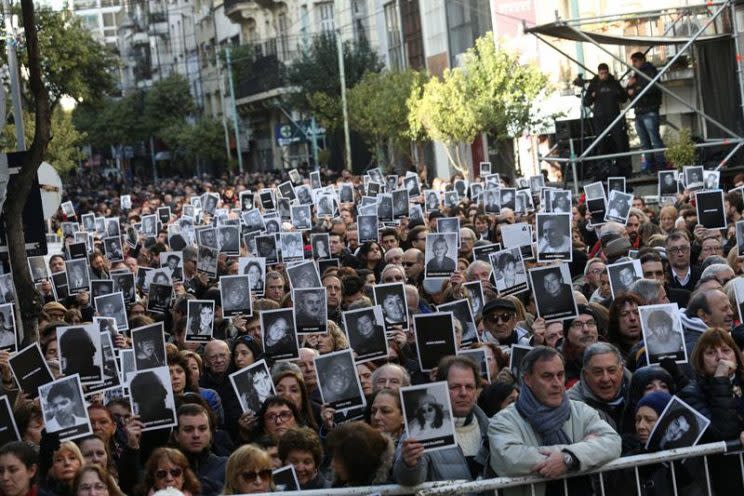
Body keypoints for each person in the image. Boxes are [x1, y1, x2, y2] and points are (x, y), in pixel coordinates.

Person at [489, 347, 622, 496]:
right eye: (547, 376)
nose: (557, 383)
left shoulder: (581, 410)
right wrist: (579, 450)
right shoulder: (503, 420)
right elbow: (510, 459)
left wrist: (569, 457)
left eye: (560, 375)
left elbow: (613, 442)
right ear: (527, 379)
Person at [393, 356, 491, 486]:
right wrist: (409, 464)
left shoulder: (493, 428)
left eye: (469, 387)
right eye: (455, 387)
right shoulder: (418, 432)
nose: (463, 393)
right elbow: (410, 480)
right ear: (440, 387)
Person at [678, 328, 744, 493]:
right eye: (711, 352)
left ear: (736, 354)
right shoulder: (691, 393)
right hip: (725, 479)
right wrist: (720, 379)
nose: (720, 357)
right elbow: (723, 431)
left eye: (726, 350)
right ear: (700, 361)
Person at [567, 342, 630, 432]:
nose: (605, 378)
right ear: (586, 374)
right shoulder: (572, 407)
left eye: (611, 370)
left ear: (621, 370)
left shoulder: (640, 392)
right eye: (598, 372)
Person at [582, 62, 630, 176]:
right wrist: (592, 95)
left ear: (608, 72)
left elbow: (624, 98)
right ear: (598, 73)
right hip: (600, 118)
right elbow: (586, 102)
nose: (603, 75)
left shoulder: (614, 83)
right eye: (601, 73)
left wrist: (619, 92)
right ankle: (602, 168)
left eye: (605, 73)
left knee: (619, 142)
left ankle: (622, 168)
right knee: (601, 143)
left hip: (614, 117)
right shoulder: (594, 84)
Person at [172, 404, 227, 496]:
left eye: (202, 429)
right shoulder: (165, 472)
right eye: (188, 429)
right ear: (176, 435)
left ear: (210, 433)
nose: (196, 435)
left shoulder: (227, 467)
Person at [627, 51, 664, 172]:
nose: (634, 64)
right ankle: (649, 166)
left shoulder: (650, 71)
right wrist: (630, 86)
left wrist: (635, 89)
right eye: (633, 62)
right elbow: (630, 94)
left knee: (654, 139)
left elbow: (650, 89)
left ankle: (660, 165)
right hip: (639, 111)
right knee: (644, 142)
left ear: (642, 60)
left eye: (635, 61)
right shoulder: (636, 75)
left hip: (649, 110)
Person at [327, 422, 394, 488]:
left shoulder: (390, 489)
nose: (333, 464)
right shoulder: (338, 484)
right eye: (333, 457)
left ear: (357, 461)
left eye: (339, 460)